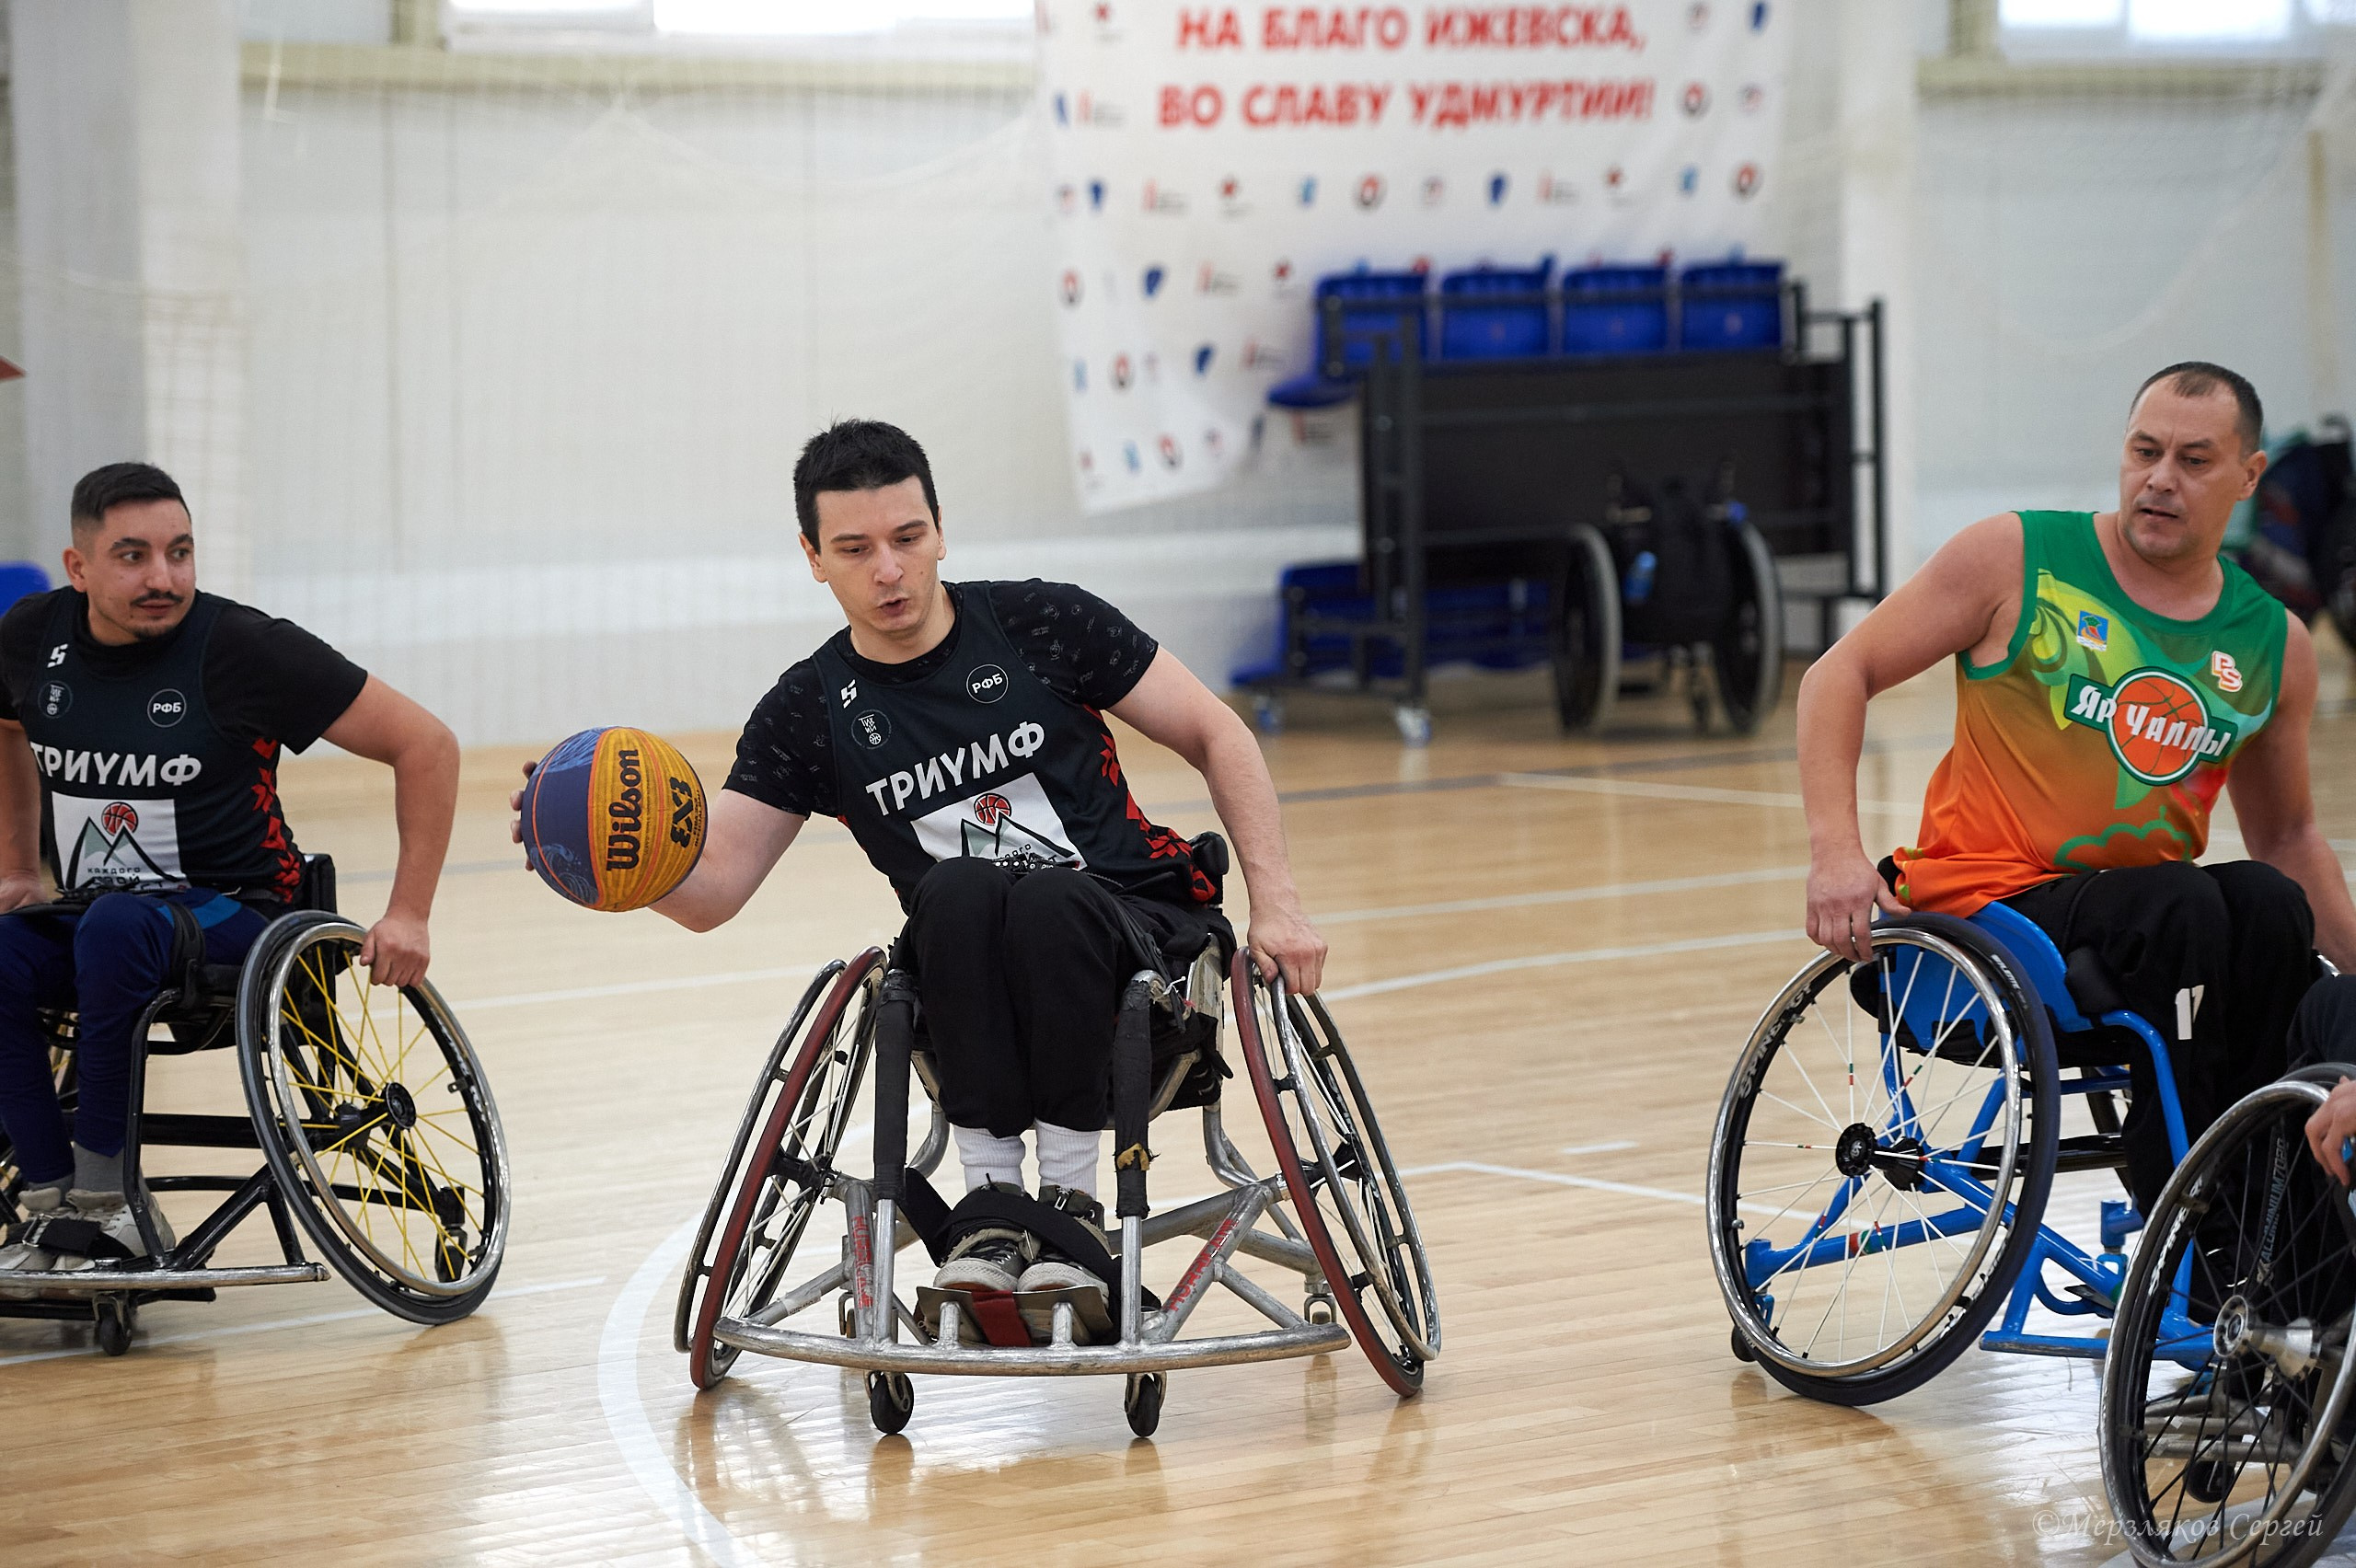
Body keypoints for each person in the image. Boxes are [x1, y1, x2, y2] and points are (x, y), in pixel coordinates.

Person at [536, 418, 1325, 1339]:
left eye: (908, 540)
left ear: (940, 531)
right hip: (973, 978)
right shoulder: (806, 711)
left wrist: (1277, 900)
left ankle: (1067, 1207)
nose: (889, 571)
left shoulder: (1041, 622)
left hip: (1134, 945)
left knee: (1046, 894)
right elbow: (714, 889)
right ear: (812, 557)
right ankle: (991, 1212)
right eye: (855, 549)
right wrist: (610, 868)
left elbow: (1214, 732)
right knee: (950, 890)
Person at [1796, 363, 2356, 1209]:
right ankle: (2187, 1211)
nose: (2160, 479)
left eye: (2195, 460)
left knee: (2270, 903)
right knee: (2183, 905)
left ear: (2250, 475)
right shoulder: (2017, 556)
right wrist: (1835, 850)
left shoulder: (2272, 641)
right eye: (2145, 451)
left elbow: (2288, 837)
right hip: (1986, 913)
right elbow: (1840, 673)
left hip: (2143, 923)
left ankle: (2275, 1229)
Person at [0, 462, 458, 1281]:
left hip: (246, 917)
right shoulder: (34, 637)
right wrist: (14, 864)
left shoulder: (244, 647)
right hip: (105, 918)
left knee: (115, 924)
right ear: (78, 568)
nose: (163, 578)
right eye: (132, 556)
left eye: (180, 552)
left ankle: (112, 1211)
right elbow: (7, 726)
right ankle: (51, 1200)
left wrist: (409, 913)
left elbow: (426, 744)